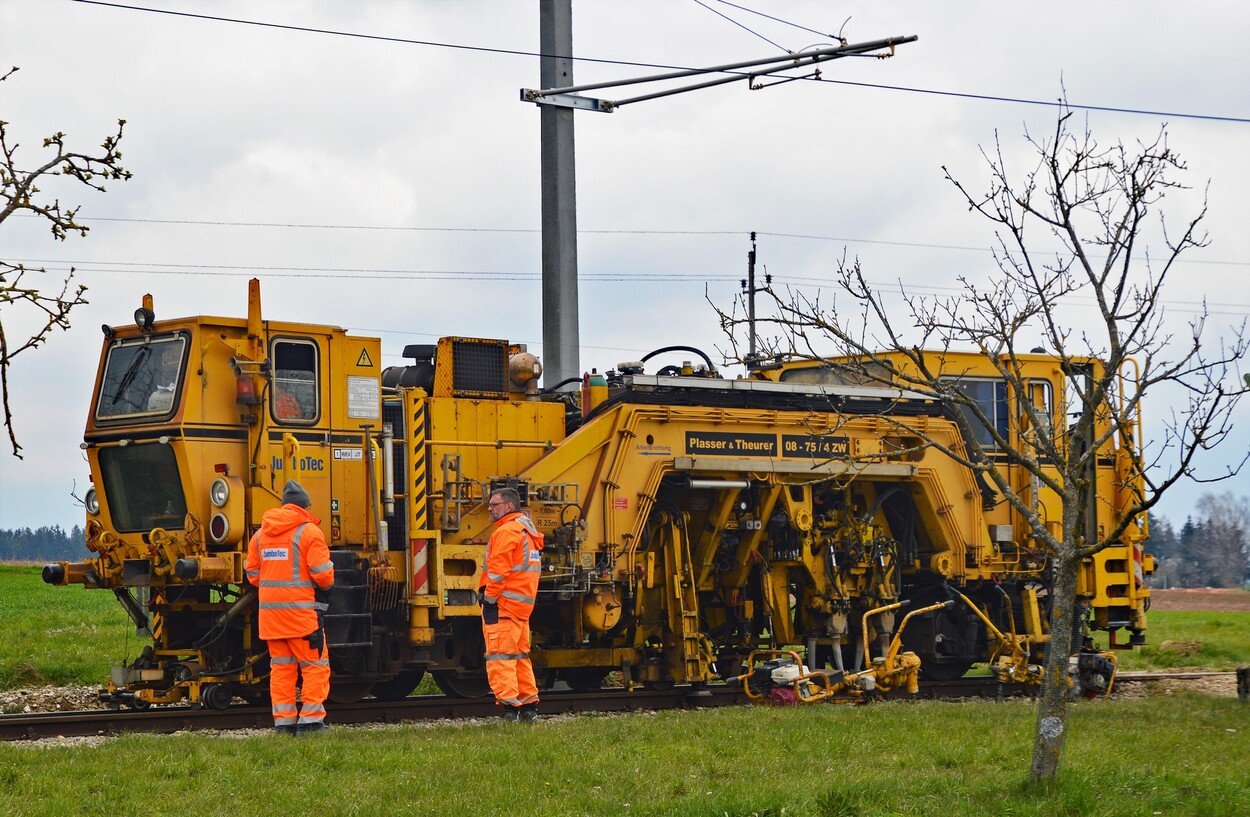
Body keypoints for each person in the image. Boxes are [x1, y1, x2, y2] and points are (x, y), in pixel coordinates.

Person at [245, 480, 335, 734]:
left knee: (282, 669)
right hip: (301, 617)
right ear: (305, 507)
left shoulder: (260, 535)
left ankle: (283, 724)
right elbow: (323, 575)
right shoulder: (308, 532)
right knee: (315, 666)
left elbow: (252, 574)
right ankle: (311, 722)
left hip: (271, 619)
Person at [478, 487, 545, 722]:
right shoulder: (527, 532)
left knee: (501, 656)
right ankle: (528, 705)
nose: (490, 508)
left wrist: (489, 598)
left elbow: (498, 571)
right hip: (521, 606)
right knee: (519, 656)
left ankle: (510, 708)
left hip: (503, 605)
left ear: (508, 506)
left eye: (494, 504)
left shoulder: (506, 532)